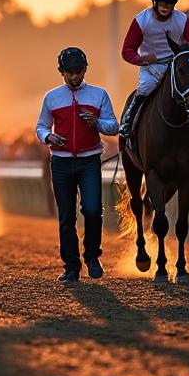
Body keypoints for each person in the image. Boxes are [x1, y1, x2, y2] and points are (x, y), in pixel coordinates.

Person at [35, 47, 118, 283]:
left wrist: (98, 123)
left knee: (92, 209)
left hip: (90, 160)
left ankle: (92, 257)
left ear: (85, 70)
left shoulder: (98, 94)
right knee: (66, 217)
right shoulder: (51, 97)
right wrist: (47, 137)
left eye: (79, 72)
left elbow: (114, 125)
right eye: (70, 72)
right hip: (60, 163)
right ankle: (71, 267)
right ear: (61, 72)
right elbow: (41, 126)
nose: (74, 77)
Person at [118, 0, 189, 147]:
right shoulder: (141, 21)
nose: (165, 6)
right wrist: (141, 60)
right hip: (151, 67)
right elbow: (127, 51)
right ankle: (128, 123)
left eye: (170, 3)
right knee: (145, 88)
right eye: (162, 2)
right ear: (154, 2)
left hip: (175, 65)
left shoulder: (183, 20)